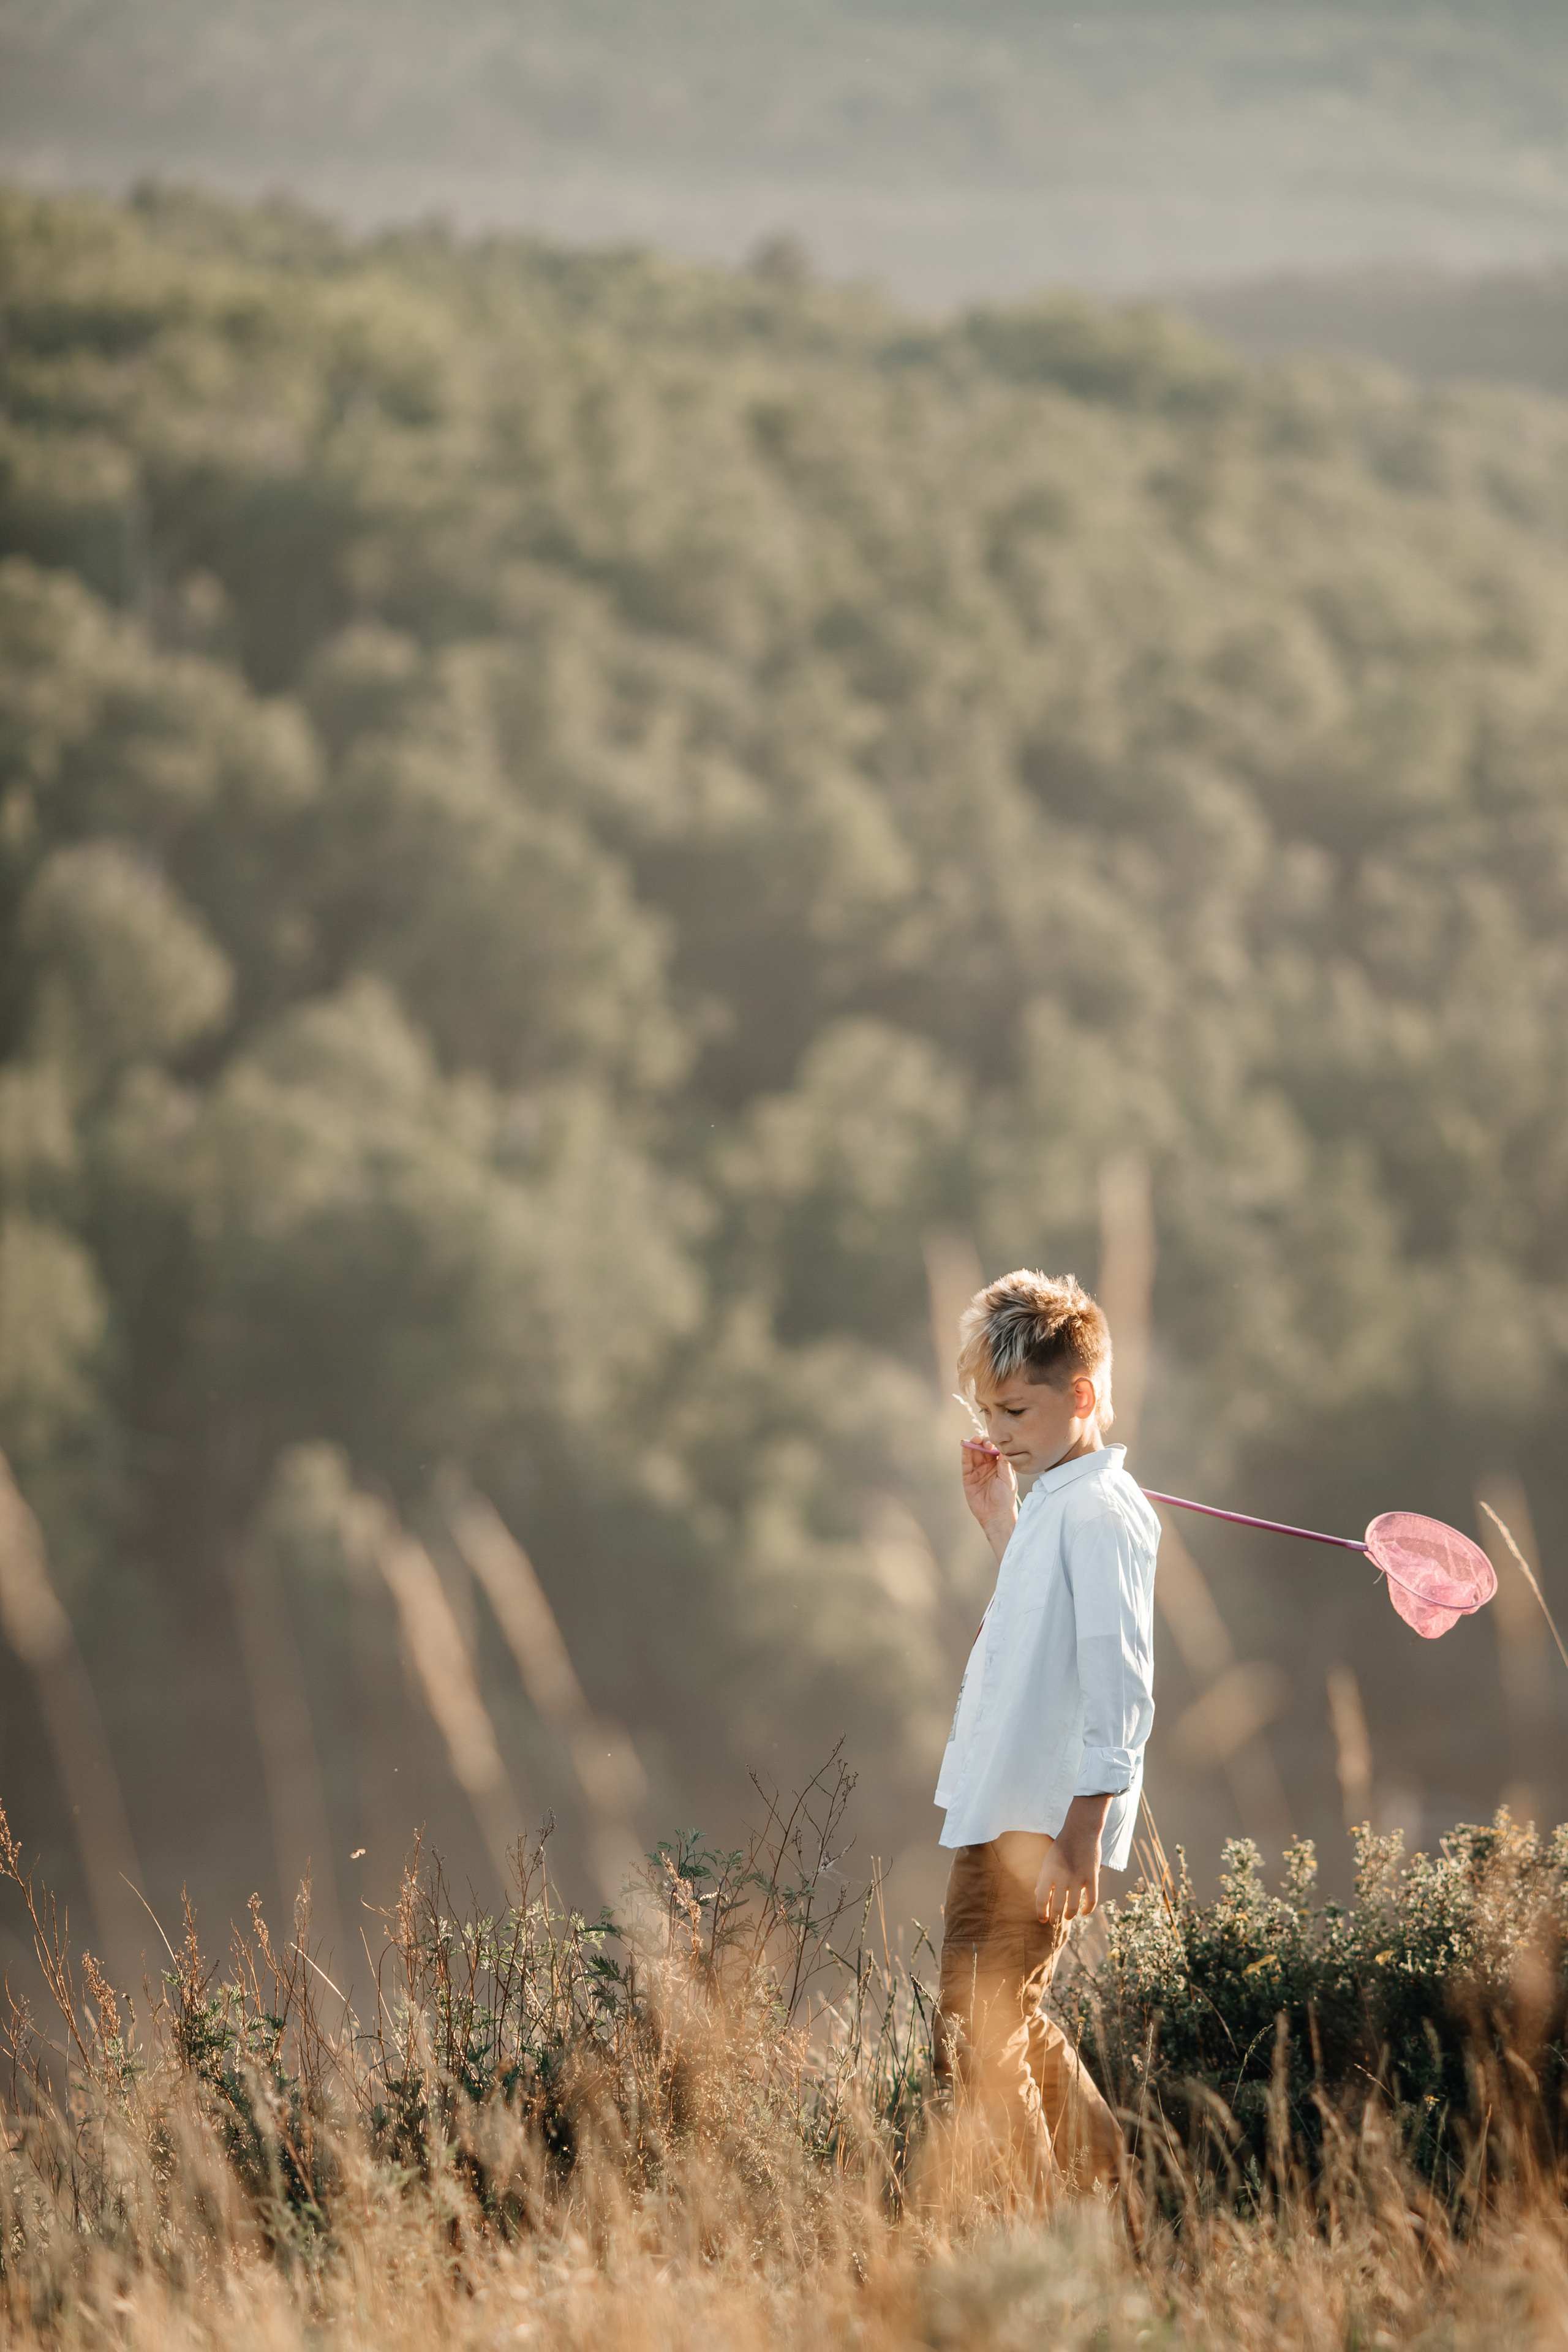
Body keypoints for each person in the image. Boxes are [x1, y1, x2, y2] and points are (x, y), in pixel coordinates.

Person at [932, 1268, 1158, 2207]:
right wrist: (1000, 1523)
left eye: (1016, 1411)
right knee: (1000, 2019)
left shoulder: (1102, 1512)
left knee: (974, 2023)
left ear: (1084, 1396)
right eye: (986, 1411)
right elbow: (1036, 1636)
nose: (996, 1433)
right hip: (1002, 1807)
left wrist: (1083, 1827)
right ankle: (1114, 2198)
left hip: (1042, 1819)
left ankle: (1046, 2233)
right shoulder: (1058, 1504)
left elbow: (1119, 1681)